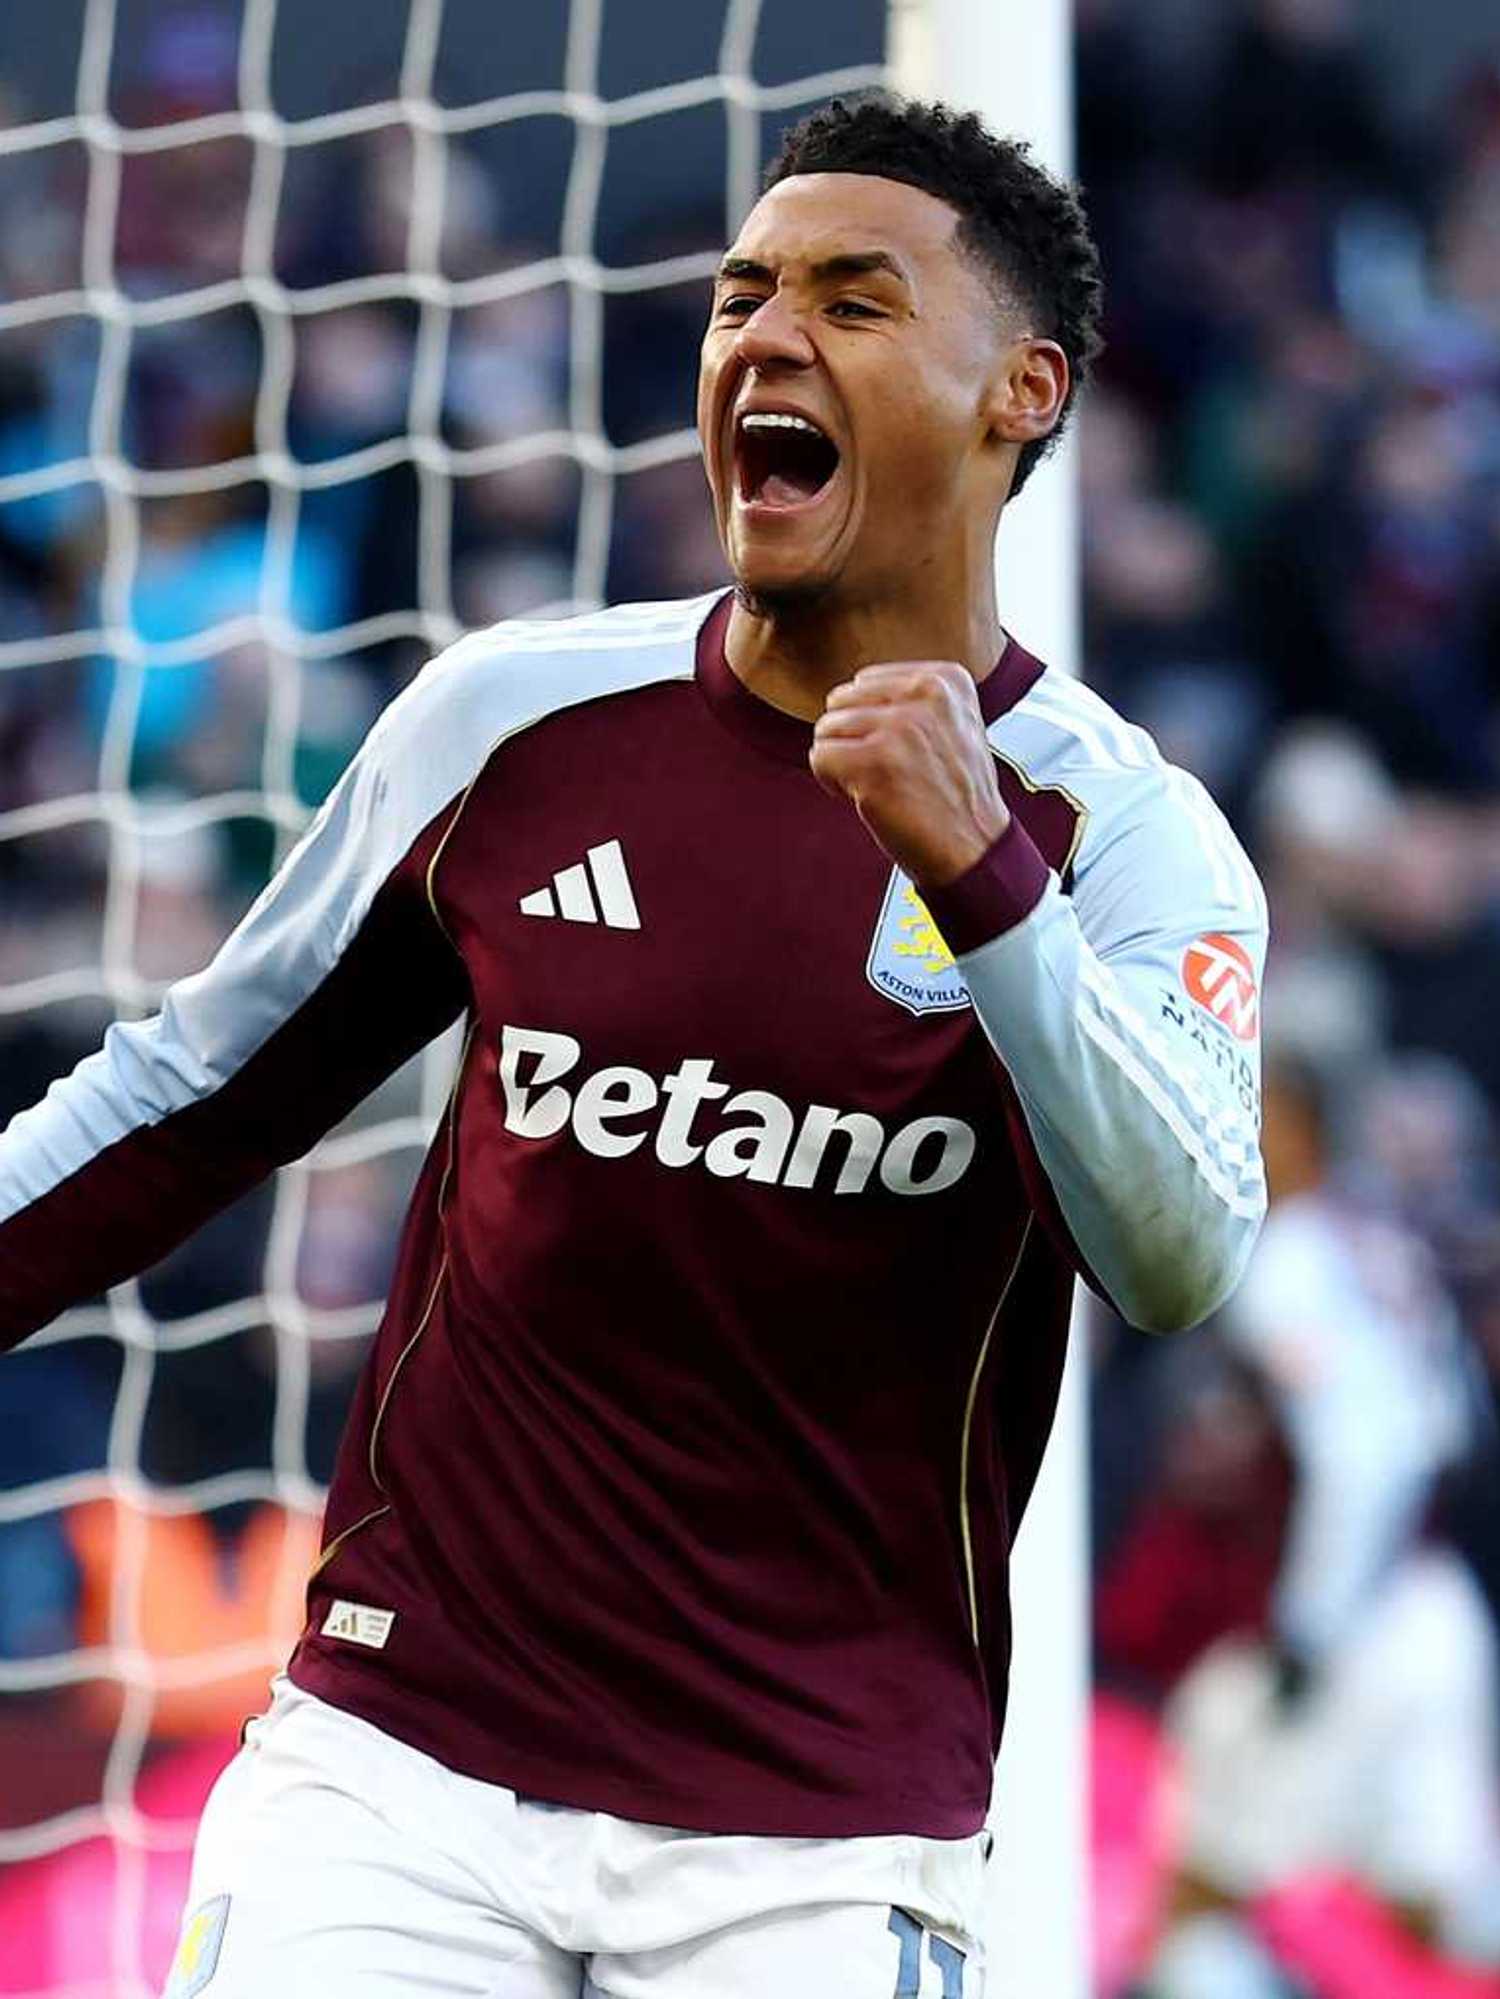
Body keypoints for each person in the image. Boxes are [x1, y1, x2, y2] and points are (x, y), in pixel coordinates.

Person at [0, 97, 1267, 1997]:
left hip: (818, 1836)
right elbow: (187, 1099)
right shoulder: (517, 726)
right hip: (403, 1768)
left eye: (852, 301)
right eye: (743, 296)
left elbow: (1179, 1257)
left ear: (1023, 390)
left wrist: (984, 883)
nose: (767, 338)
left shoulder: (1123, 839)